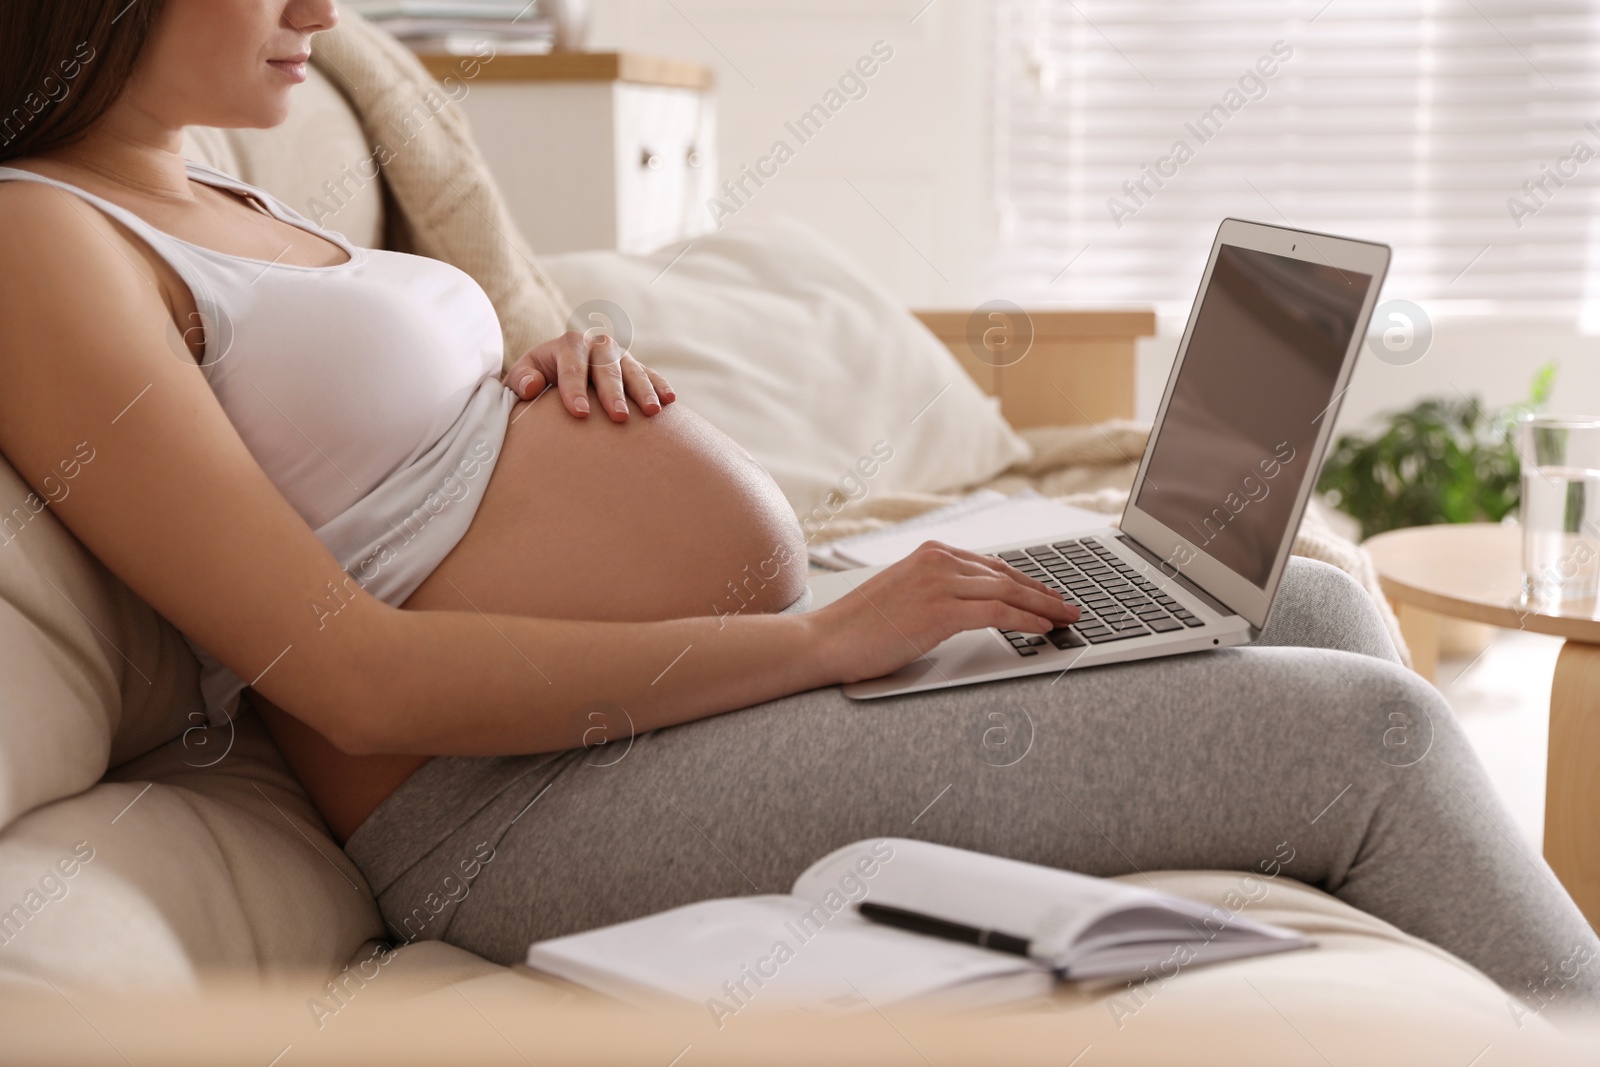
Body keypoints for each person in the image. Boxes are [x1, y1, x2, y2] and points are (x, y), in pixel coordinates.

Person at [0, 0, 1593, 1010]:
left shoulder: (228, 188)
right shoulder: (41, 240)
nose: (321, 11)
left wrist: (546, 367)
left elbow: (390, 451)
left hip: (675, 712)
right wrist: (829, 639)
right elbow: (350, 670)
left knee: (1312, 601)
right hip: (504, 806)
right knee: (1368, 739)